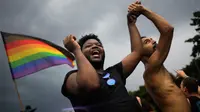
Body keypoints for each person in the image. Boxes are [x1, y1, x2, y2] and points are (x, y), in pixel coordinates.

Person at [61, 2, 144, 112]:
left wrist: (132, 24)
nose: (95, 46)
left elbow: (137, 52)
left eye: (98, 45)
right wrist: (76, 50)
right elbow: (91, 84)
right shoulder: (73, 76)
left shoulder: (115, 72)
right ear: (81, 53)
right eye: (88, 46)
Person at [128, 2, 191, 112]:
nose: (153, 40)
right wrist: (143, 10)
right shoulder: (152, 69)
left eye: (151, 39)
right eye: (147, 42)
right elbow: (167, 29)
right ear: (140, 51)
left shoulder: (155, 69)